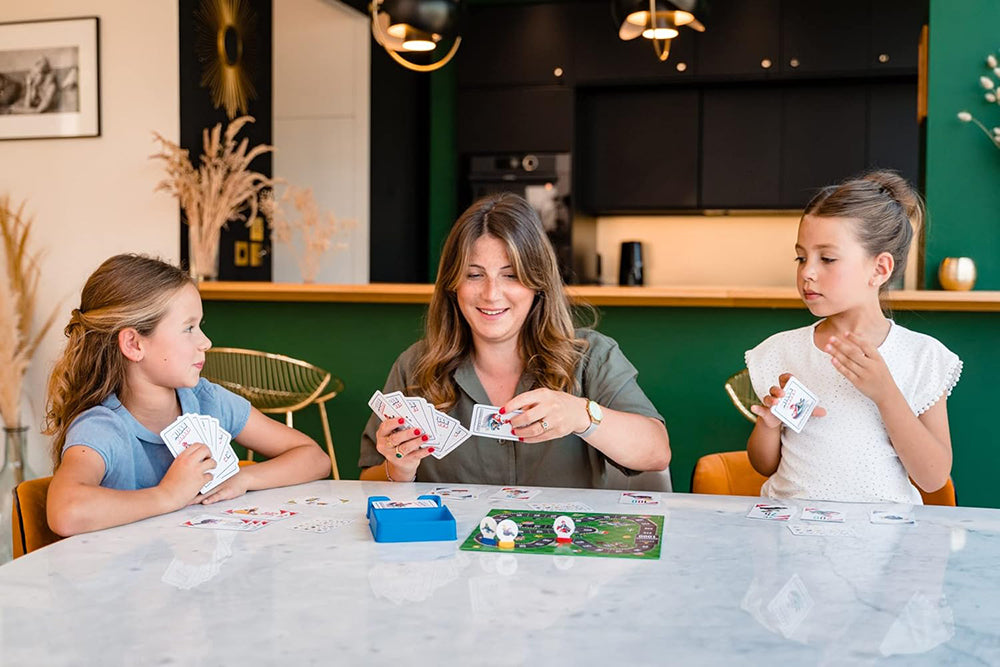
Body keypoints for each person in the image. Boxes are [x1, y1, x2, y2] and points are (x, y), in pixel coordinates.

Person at [359, 193, 670, 487]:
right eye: (474, 275)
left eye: (511, 275)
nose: (491, 294)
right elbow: (367, 482)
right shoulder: (415, 366)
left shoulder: (591, 357)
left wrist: (581, 415)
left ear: (538, 283)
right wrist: (398, 469)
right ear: (453, 285)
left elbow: (656, 453)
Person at [45, 254, 331, 536]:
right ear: (134, 344)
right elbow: (66, 512)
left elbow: (315, 458)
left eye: (200, 326)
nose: (205, 342)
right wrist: (168, 495)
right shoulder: (103, 428)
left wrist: (243, 478)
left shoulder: (208, 401)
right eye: (188, 328)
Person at [745, 170, 962, 504]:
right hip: (791, 526)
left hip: (883, 530)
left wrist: (886, 393)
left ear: (879, 269)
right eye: (801, 257)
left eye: (827, 259)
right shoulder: (782, 351)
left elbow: (932, 478)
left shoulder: (921, 357)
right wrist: (770, 425)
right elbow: (764, 466)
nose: (807, 272)